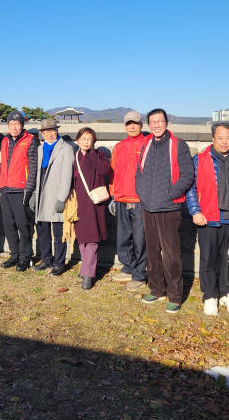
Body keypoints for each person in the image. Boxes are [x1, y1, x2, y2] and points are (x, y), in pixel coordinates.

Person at [186, 122, 229, 316]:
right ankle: (209, 295)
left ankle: (227, 293)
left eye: (228, 137)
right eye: (220, 137)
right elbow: (191, 188)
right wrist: (195, 211)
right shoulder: (199, 159)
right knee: (207, 259)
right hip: (209, 217)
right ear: (213, 138)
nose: (224, 141)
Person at [135, 109, 194, 314]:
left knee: (171, 254)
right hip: (148, 207)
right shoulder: (146, 143)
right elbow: (139, 172)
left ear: (167, 123)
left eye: (160, 121)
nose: (157, 125)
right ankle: (157, 289)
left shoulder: (178, 145)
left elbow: (187, 175)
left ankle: (175, 296)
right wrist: (141, 194)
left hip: (168, 207)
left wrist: (170, 194)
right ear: (148, 124)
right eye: (153, 122)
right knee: (152, 252)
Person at [108, 110, 147, 292]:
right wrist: (113, 196)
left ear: (141, 124)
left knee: (140, 239)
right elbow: (112, 172)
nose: (132, 126)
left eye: (135, 123)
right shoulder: (119, 146)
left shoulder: (147, 144)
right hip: (121, 198)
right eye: (128, 123)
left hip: (140, 200)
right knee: (123, 237)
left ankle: (140, 274)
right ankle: (128, 267)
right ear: (125, 126)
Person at [31, 119, 74, 276]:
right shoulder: (41, 148)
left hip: (56, 195)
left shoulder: (66, 148)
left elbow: (67, 175)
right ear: (42, 134)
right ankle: (46, 259)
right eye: (46, 131)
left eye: (52, 130)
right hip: (42, 195)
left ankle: (59, 262)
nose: (49, 134)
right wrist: (34, 195)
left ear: (57, 131)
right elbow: (36, 173)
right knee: (42, 230)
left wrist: (61, 198)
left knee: (58, 232)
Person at [0, 110, 39, 272]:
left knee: (23, 225)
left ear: (22, 125)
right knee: (8, 224)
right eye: (11, 124)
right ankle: (14, 254)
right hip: (5, 188)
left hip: (20, 189)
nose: (14, 127)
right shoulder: (4, 141)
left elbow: (33, 166)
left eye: (17, 124)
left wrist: (29, 188)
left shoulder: (31, 140)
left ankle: (25, 256)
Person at [73, 127, 110, 290]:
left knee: (93, 238)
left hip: (95, 201)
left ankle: (88, 274)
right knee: (81, 237)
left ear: (94, 141)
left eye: (89, 139)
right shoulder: (74, 156)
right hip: (78, 200)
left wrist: (93, 154)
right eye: (83, 138)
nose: (86, 141)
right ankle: (86, 267)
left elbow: (104, 171)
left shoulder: (99, 155)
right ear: (78, 140)